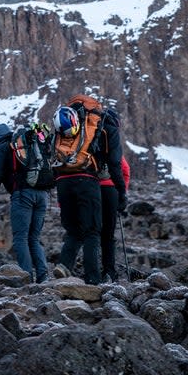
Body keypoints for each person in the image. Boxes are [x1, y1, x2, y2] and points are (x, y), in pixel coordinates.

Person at [51, 98, 127, 285]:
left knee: (73, 230)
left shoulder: (68, 123)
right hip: (87, 180)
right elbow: (116, 163)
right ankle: (93, 279)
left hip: (62, 180)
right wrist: (121, 192)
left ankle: (64, 265)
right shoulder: (103, 124)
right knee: (92, 230)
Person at [0, 123, 52, 283]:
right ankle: (43, 276)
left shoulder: (3, 147)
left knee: (21, 238)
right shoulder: (24, 143)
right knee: (34, 238)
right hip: (42, 194)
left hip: (23, 195)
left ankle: (26, 277)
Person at [100, 154, 130, 282]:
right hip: (112, 191)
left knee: (92, 233)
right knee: (108, 234)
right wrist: (122, 193)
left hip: (91, 190)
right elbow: (125, 170)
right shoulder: (113, 147)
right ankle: (109, 272)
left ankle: (92, 271)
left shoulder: (88, 144)